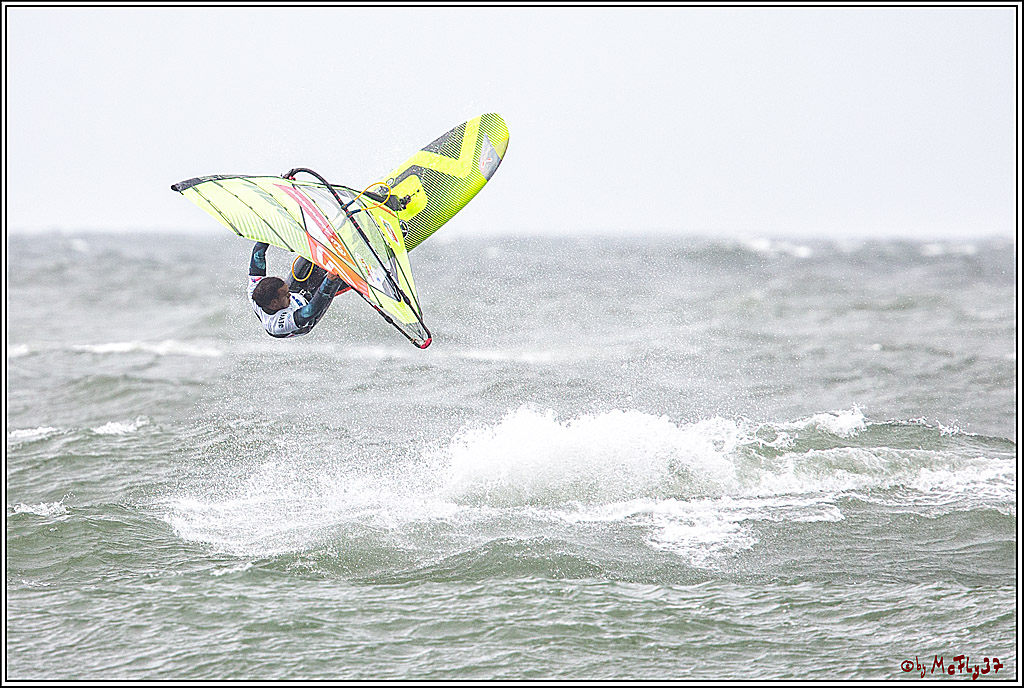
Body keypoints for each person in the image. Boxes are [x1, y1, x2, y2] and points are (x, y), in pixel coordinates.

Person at [247, 242, 350, 338]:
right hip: (309, 312)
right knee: (336, 277)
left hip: (296, 290)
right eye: (287, 295)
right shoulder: (278, 324)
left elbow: (258, 254)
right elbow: (311, 309)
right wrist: (329, 281)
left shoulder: (255, 289)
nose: (290, 296)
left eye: (288, 293)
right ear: (274, 303)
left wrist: (266, 234)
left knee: (313, 253)